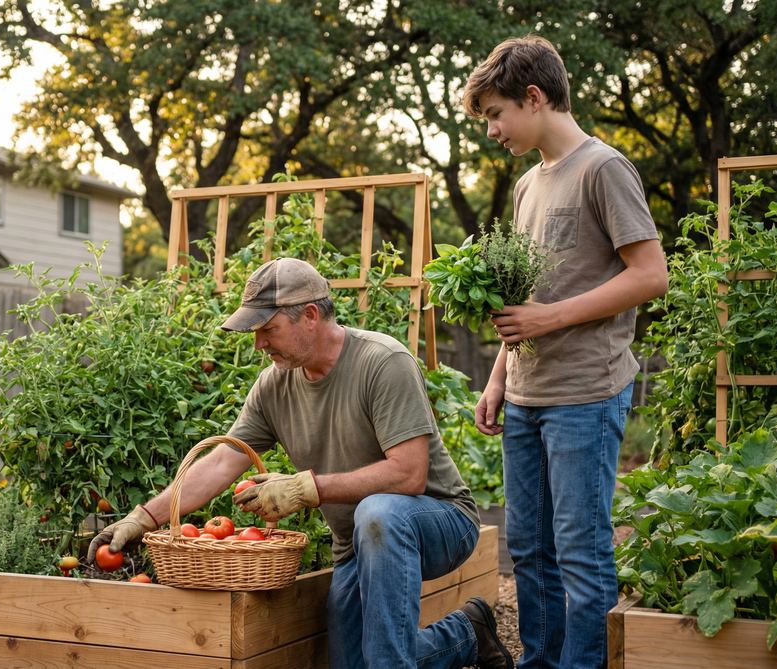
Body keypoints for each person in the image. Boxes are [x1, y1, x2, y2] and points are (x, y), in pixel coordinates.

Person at [89, 257, 514, 669]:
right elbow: (220, 462)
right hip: (357, 544)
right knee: (353, 661)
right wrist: (142, 518)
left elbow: (408, 474)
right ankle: (466, 636)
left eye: (268, 329)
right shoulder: (274, 385)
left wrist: (305, 488)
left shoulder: (382, 362)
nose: (258, 344)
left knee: (378, 512)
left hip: (438, 522)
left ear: (310, 315)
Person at [462, 36, 669, 669]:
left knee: (580, 550)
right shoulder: (528, 187)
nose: (492, 129)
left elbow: (651, 275)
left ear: (534, 96)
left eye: (496, 114)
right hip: (525, 395)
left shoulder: (603, 168)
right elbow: (526, 299)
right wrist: (498, 376)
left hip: (586, 391)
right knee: (528, 548)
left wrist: (549, 317)